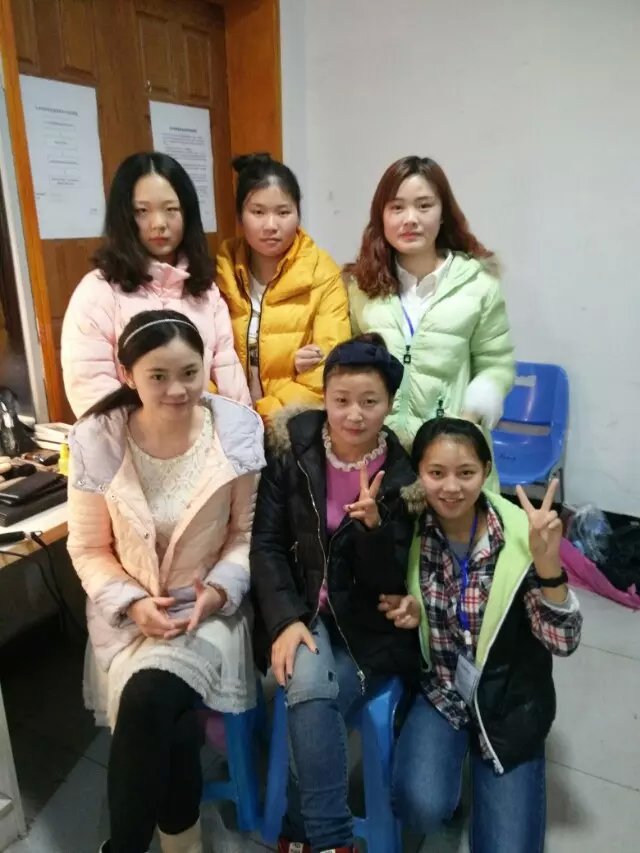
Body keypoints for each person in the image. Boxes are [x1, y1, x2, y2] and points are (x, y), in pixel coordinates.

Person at [66, 309, 264, 853]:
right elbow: (88, 547)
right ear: (128, 375)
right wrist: (133, 604)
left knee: (149, 699)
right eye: (158, 376)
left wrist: (219, 591)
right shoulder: (98, 439)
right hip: (131, 616)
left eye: (190, 373)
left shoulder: (235, 431)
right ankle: (184, 844)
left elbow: (245, 536)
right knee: (166, 719)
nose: (178, 390)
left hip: (208, 611)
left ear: (205, 367)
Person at [250, 333, 419, 853]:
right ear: (324, 397)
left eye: (370, 401)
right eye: (341, 399)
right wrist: (285, 620)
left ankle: (302, 830)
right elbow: (266, 545)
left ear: (390, 404)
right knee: (309, 686)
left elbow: (392, 583)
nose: (354, 415)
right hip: (304, 608)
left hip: (365, 626)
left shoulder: (403, 475)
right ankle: (333, 841)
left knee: (308, 695)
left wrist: (372, 531)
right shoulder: (293, 450)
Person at [386, 417, 582, 853]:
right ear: (418, 473)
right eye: (436, 473)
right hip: (441, 692)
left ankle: (490, 760)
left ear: (486, 470)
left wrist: (549, 566)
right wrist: (409, 609)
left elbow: (563, 642)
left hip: (509, 701)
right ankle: (454, 770)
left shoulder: (520, 534)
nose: (451, 487)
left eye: (466, 473)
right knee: (419, 807)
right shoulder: (410, 529)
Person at [346, 155, 515, 460]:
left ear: (443, 213)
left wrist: (467, 423)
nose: (410, 219)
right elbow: (348, 366)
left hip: (450, 458)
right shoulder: (361, 287)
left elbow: (496, 364)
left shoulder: (478, 284)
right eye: (397, 207)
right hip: (378, 455)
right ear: (381, 216)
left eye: (424, 206)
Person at [62, 152, 250, 418]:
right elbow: (92, 391)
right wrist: (149, 438)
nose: (159, 223)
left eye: (171, 209)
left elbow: (228, 375)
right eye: (142, 211)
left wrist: (242, 435)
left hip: (204, 437)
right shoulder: (98, 291)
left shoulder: (204, 289)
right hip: (131, 441)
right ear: (124, 216)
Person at [216, 153, 351, 418]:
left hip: (293, 423)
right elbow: (203, 358)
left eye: (283, 212)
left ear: (298, 213)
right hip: (227, 422)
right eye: (258, 212)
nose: (271, 225)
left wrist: (261, 415)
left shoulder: (323, 274)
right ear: (240, 216)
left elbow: (328, 368)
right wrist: (226, 414)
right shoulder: (221, 272)